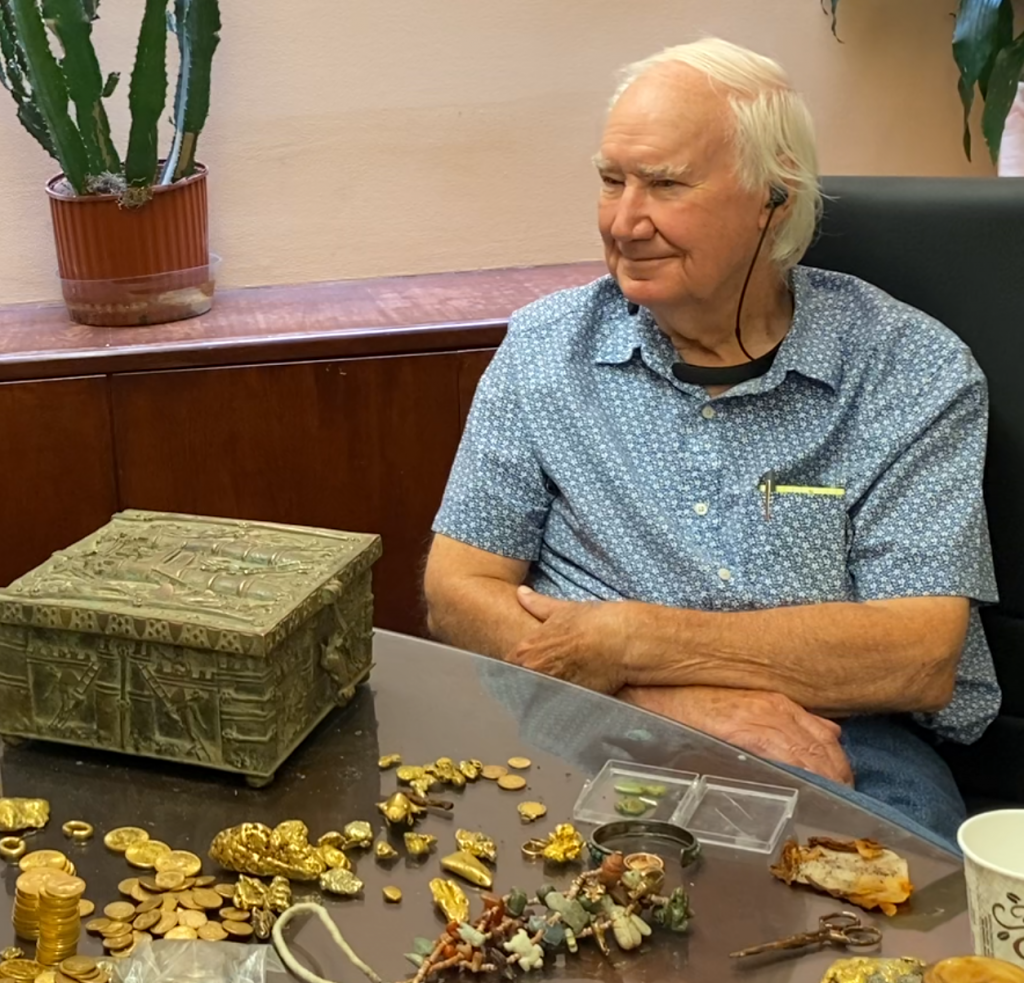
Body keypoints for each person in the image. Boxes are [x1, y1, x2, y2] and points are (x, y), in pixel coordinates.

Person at [422, 38, 999, 846]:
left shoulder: (909, 368)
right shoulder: (545, 349)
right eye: (610, 180)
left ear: (775, 198)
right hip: (581, 724)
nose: (625, 222)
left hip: (836, 745)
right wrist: (677, 706)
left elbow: (917, 653)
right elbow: (459, 587)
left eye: (665, 185)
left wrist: (628, 637)